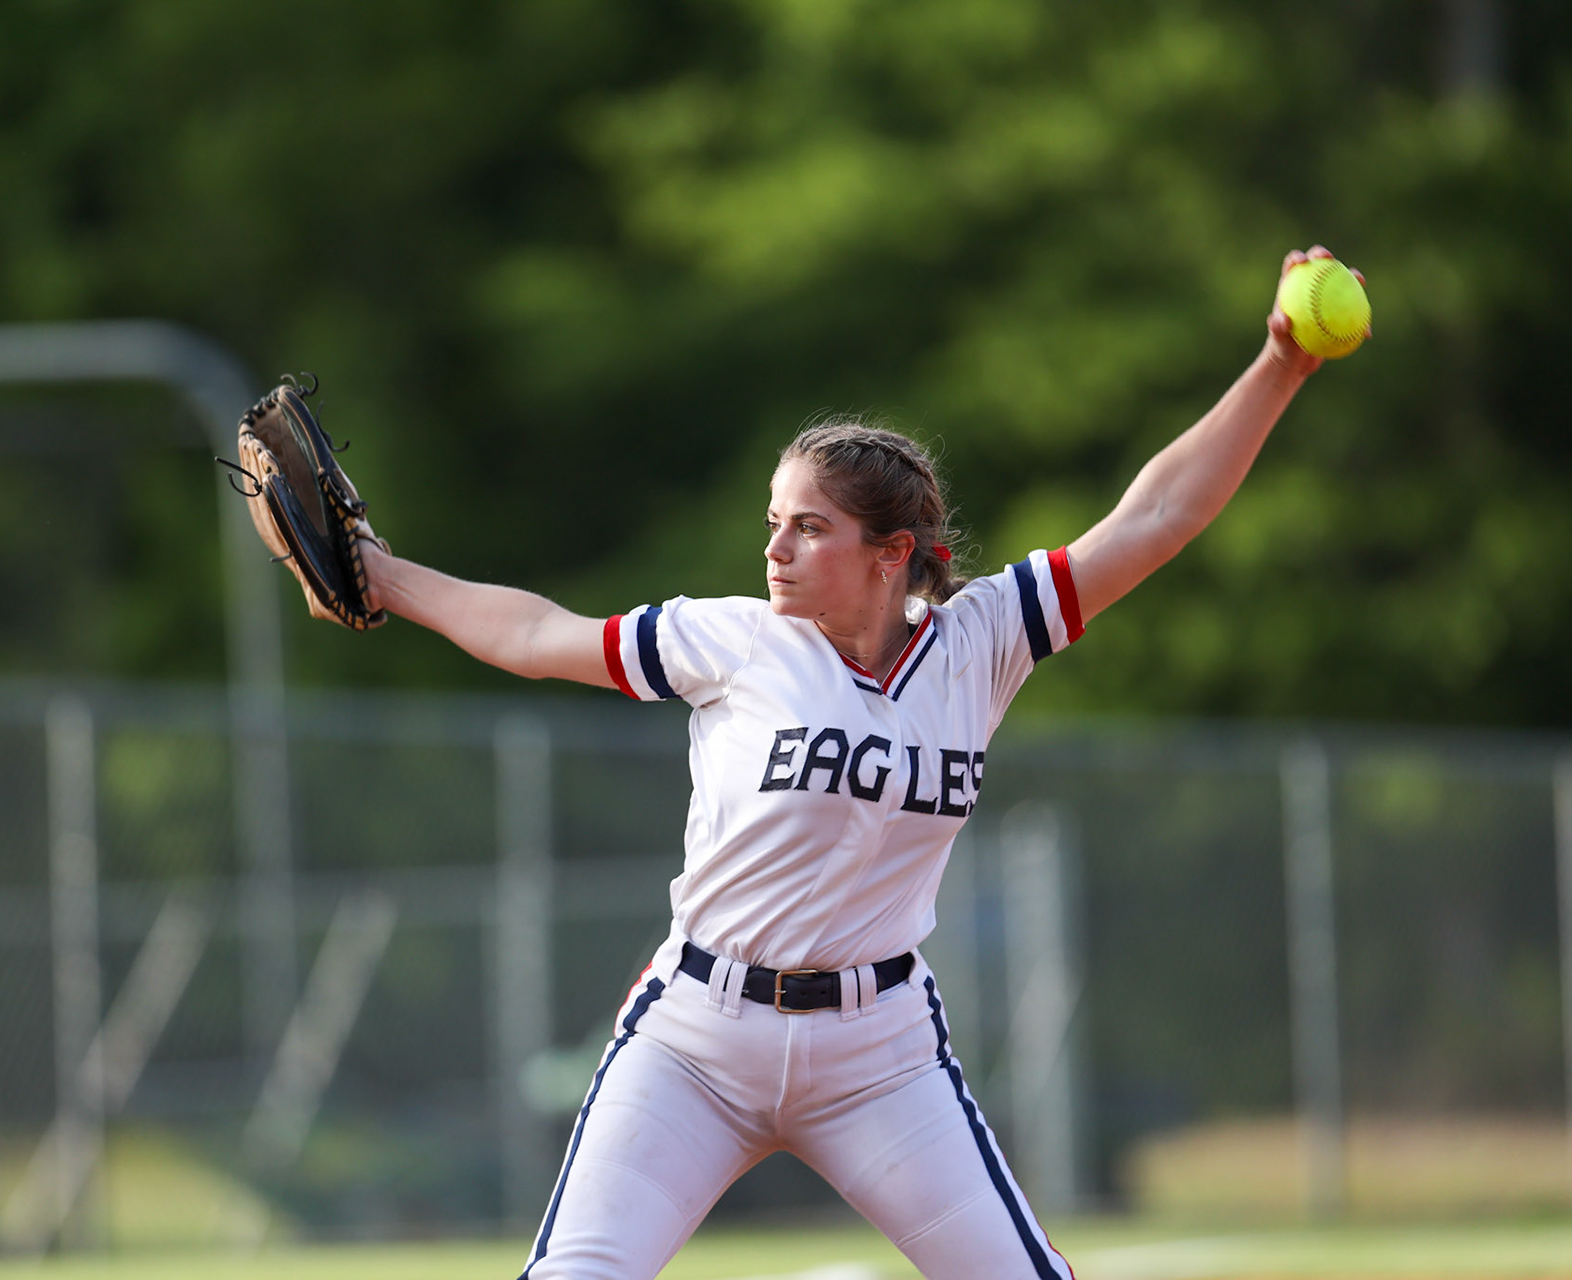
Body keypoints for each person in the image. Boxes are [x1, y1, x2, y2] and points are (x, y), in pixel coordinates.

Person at [358, 248, 1353, 1279]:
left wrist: (1279, 364)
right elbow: (535, 633)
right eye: (774, 522)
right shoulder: (735, 639)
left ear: (892, 552)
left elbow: (1155, 516)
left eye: (810, 526)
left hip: (877, 1054)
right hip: (696, 1037)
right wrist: (385, 578)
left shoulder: (980, 643)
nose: (777, 548)